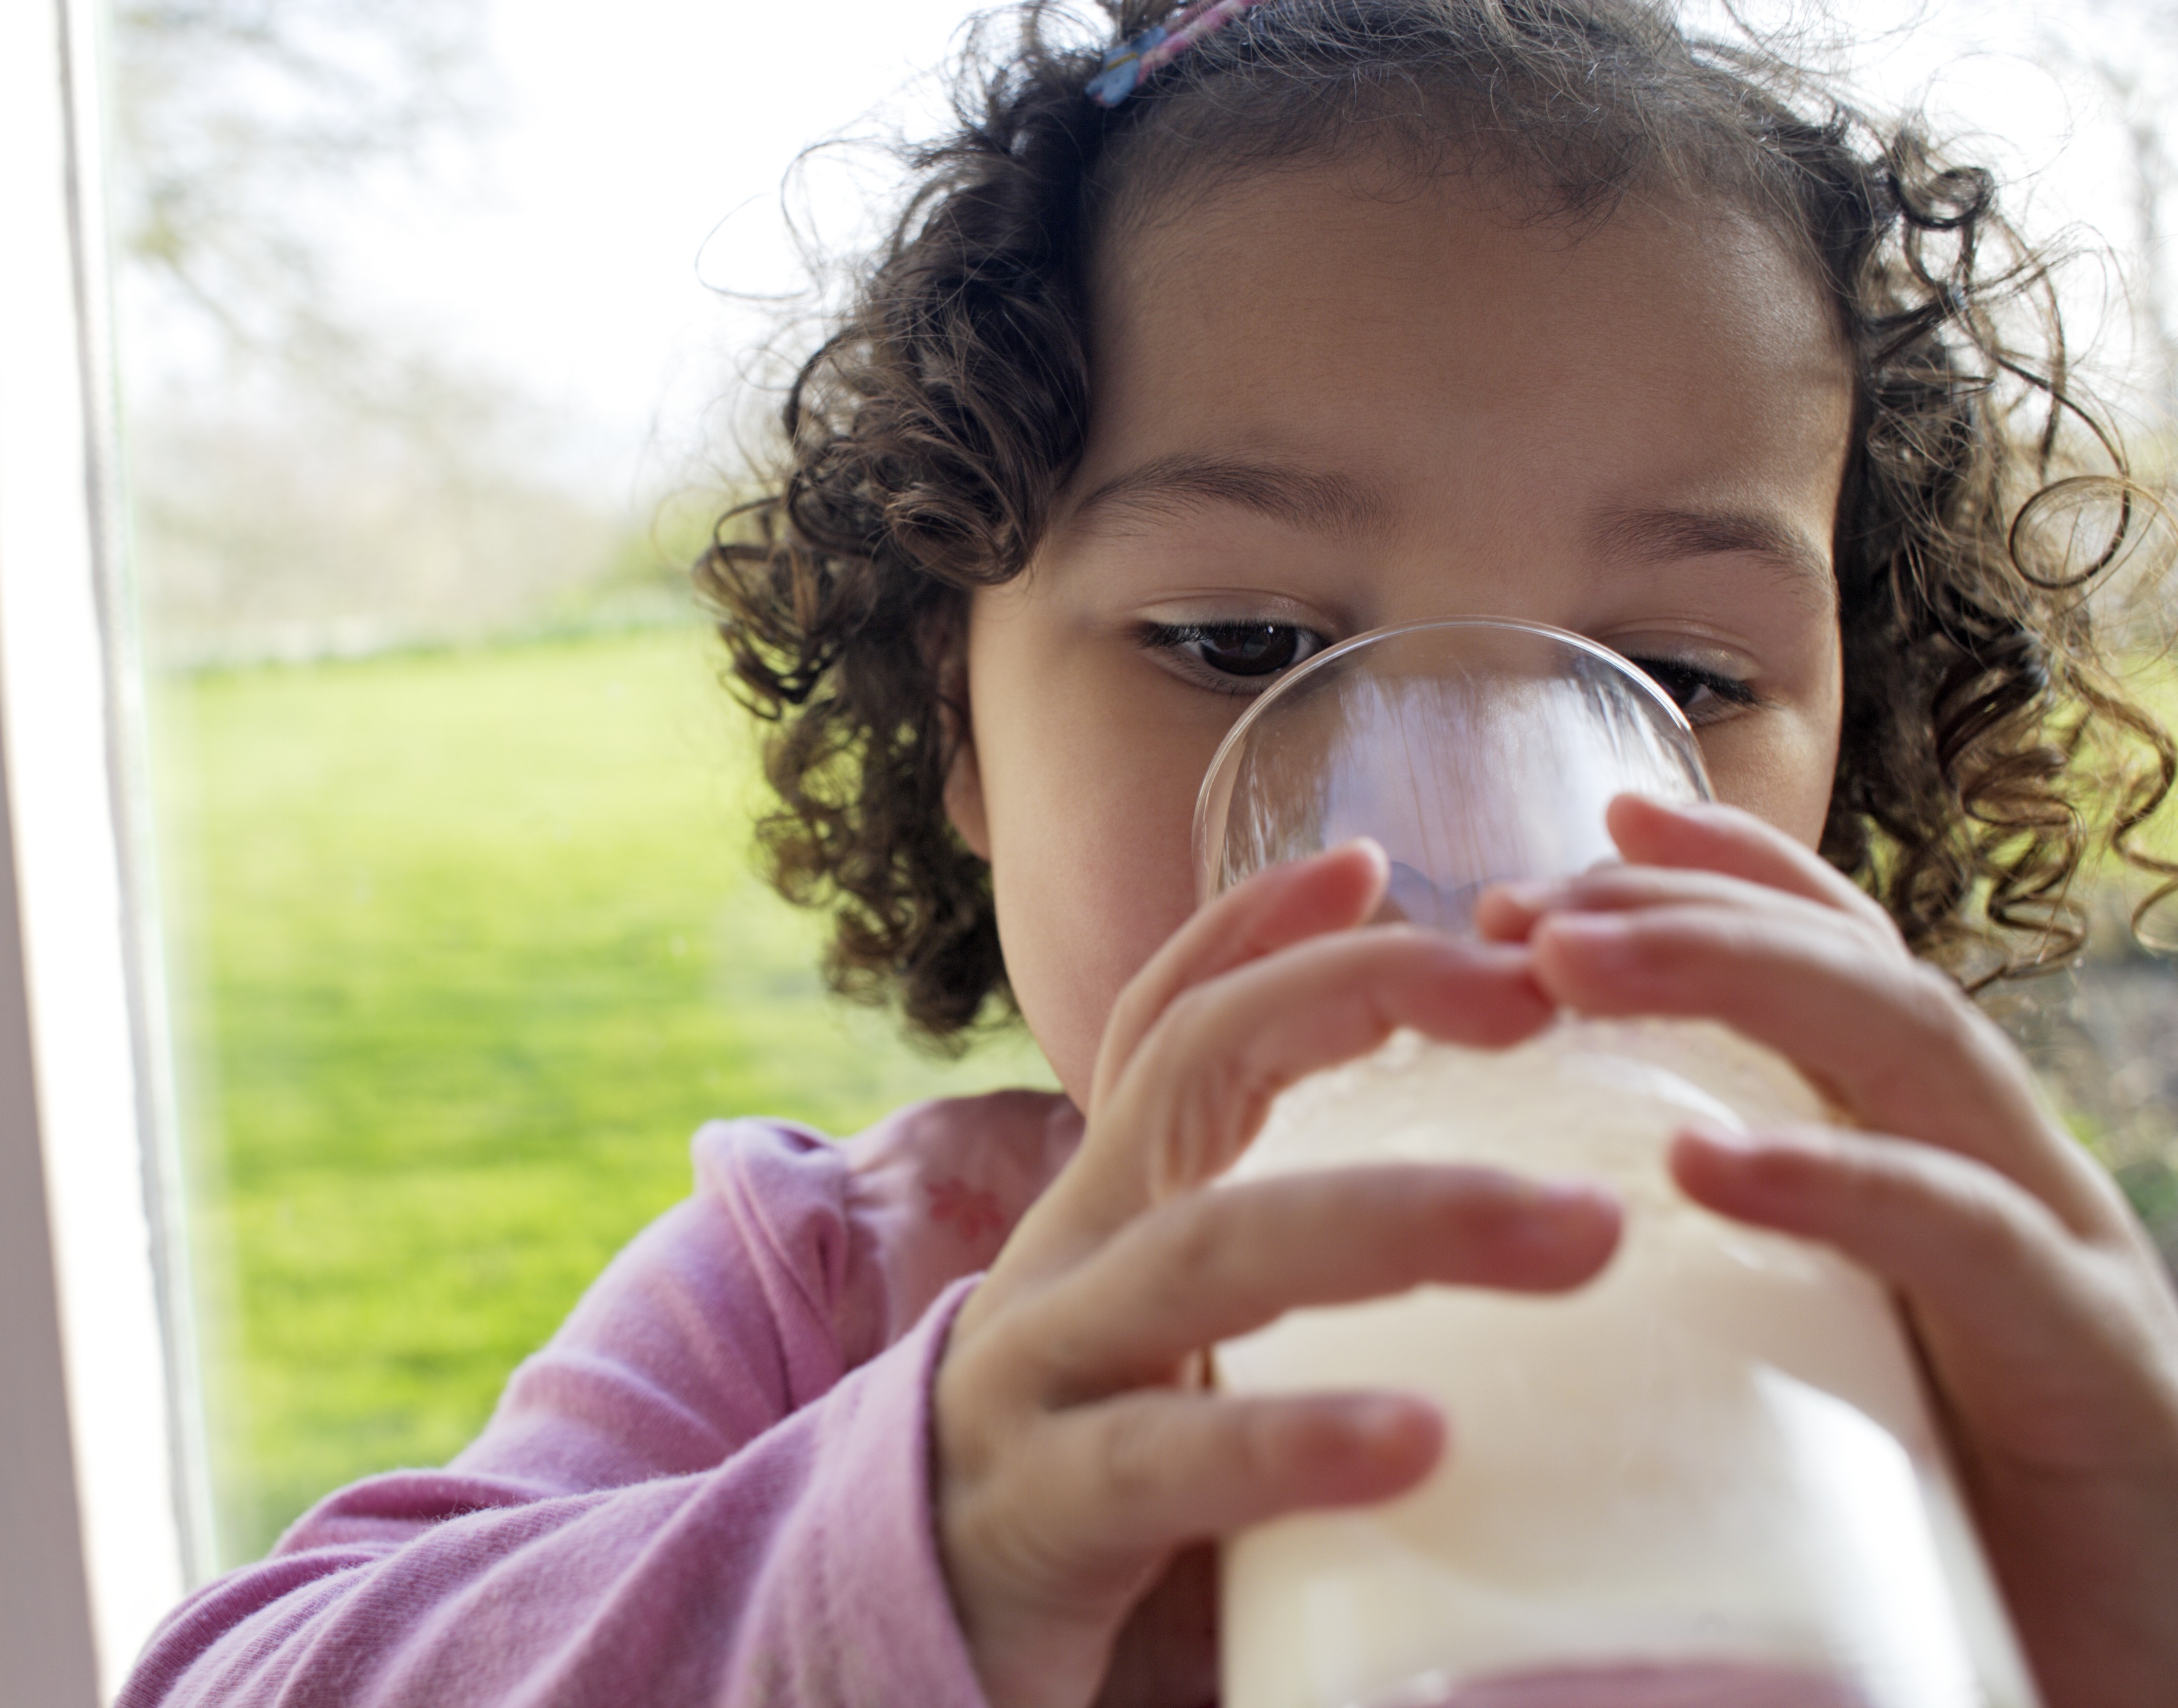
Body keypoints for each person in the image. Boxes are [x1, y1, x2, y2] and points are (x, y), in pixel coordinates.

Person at [118, 2, 2178, 1704]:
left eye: (1669, 671)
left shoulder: (1913, 1304)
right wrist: (910, 1544)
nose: (1459, 856)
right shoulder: (829, 1299)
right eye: (1247, 648)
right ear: (959, 732)